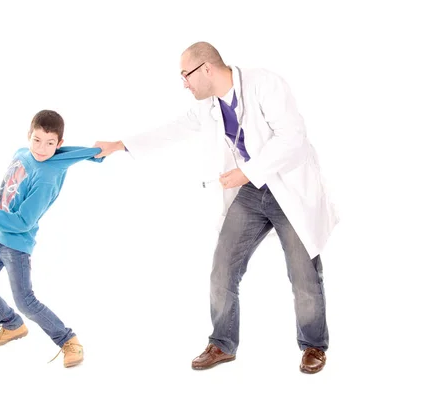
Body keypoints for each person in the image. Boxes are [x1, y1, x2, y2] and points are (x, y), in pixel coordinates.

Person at [94, 42, 338, 374]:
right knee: (223, 268)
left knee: (303, 272)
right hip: (252, 192)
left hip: (288, 188)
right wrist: (121, 145)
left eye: (186, 75)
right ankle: (222, 343)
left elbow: (292, 137)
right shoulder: (210, 105)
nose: (184, 83)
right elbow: (174, 129)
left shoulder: (264, 84)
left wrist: (245, 172)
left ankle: (313, 346)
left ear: (206, 68)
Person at [0, 109, 103, 368]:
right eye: (37, 140)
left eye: (51, 143)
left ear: (59, 144)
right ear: (28, 135)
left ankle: (68, 340)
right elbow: (5, 191)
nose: (42, 148)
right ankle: (12, 325)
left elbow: (23, 221)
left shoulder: (47, 178)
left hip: (15, 246)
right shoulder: (21, 153)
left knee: (26, 301)